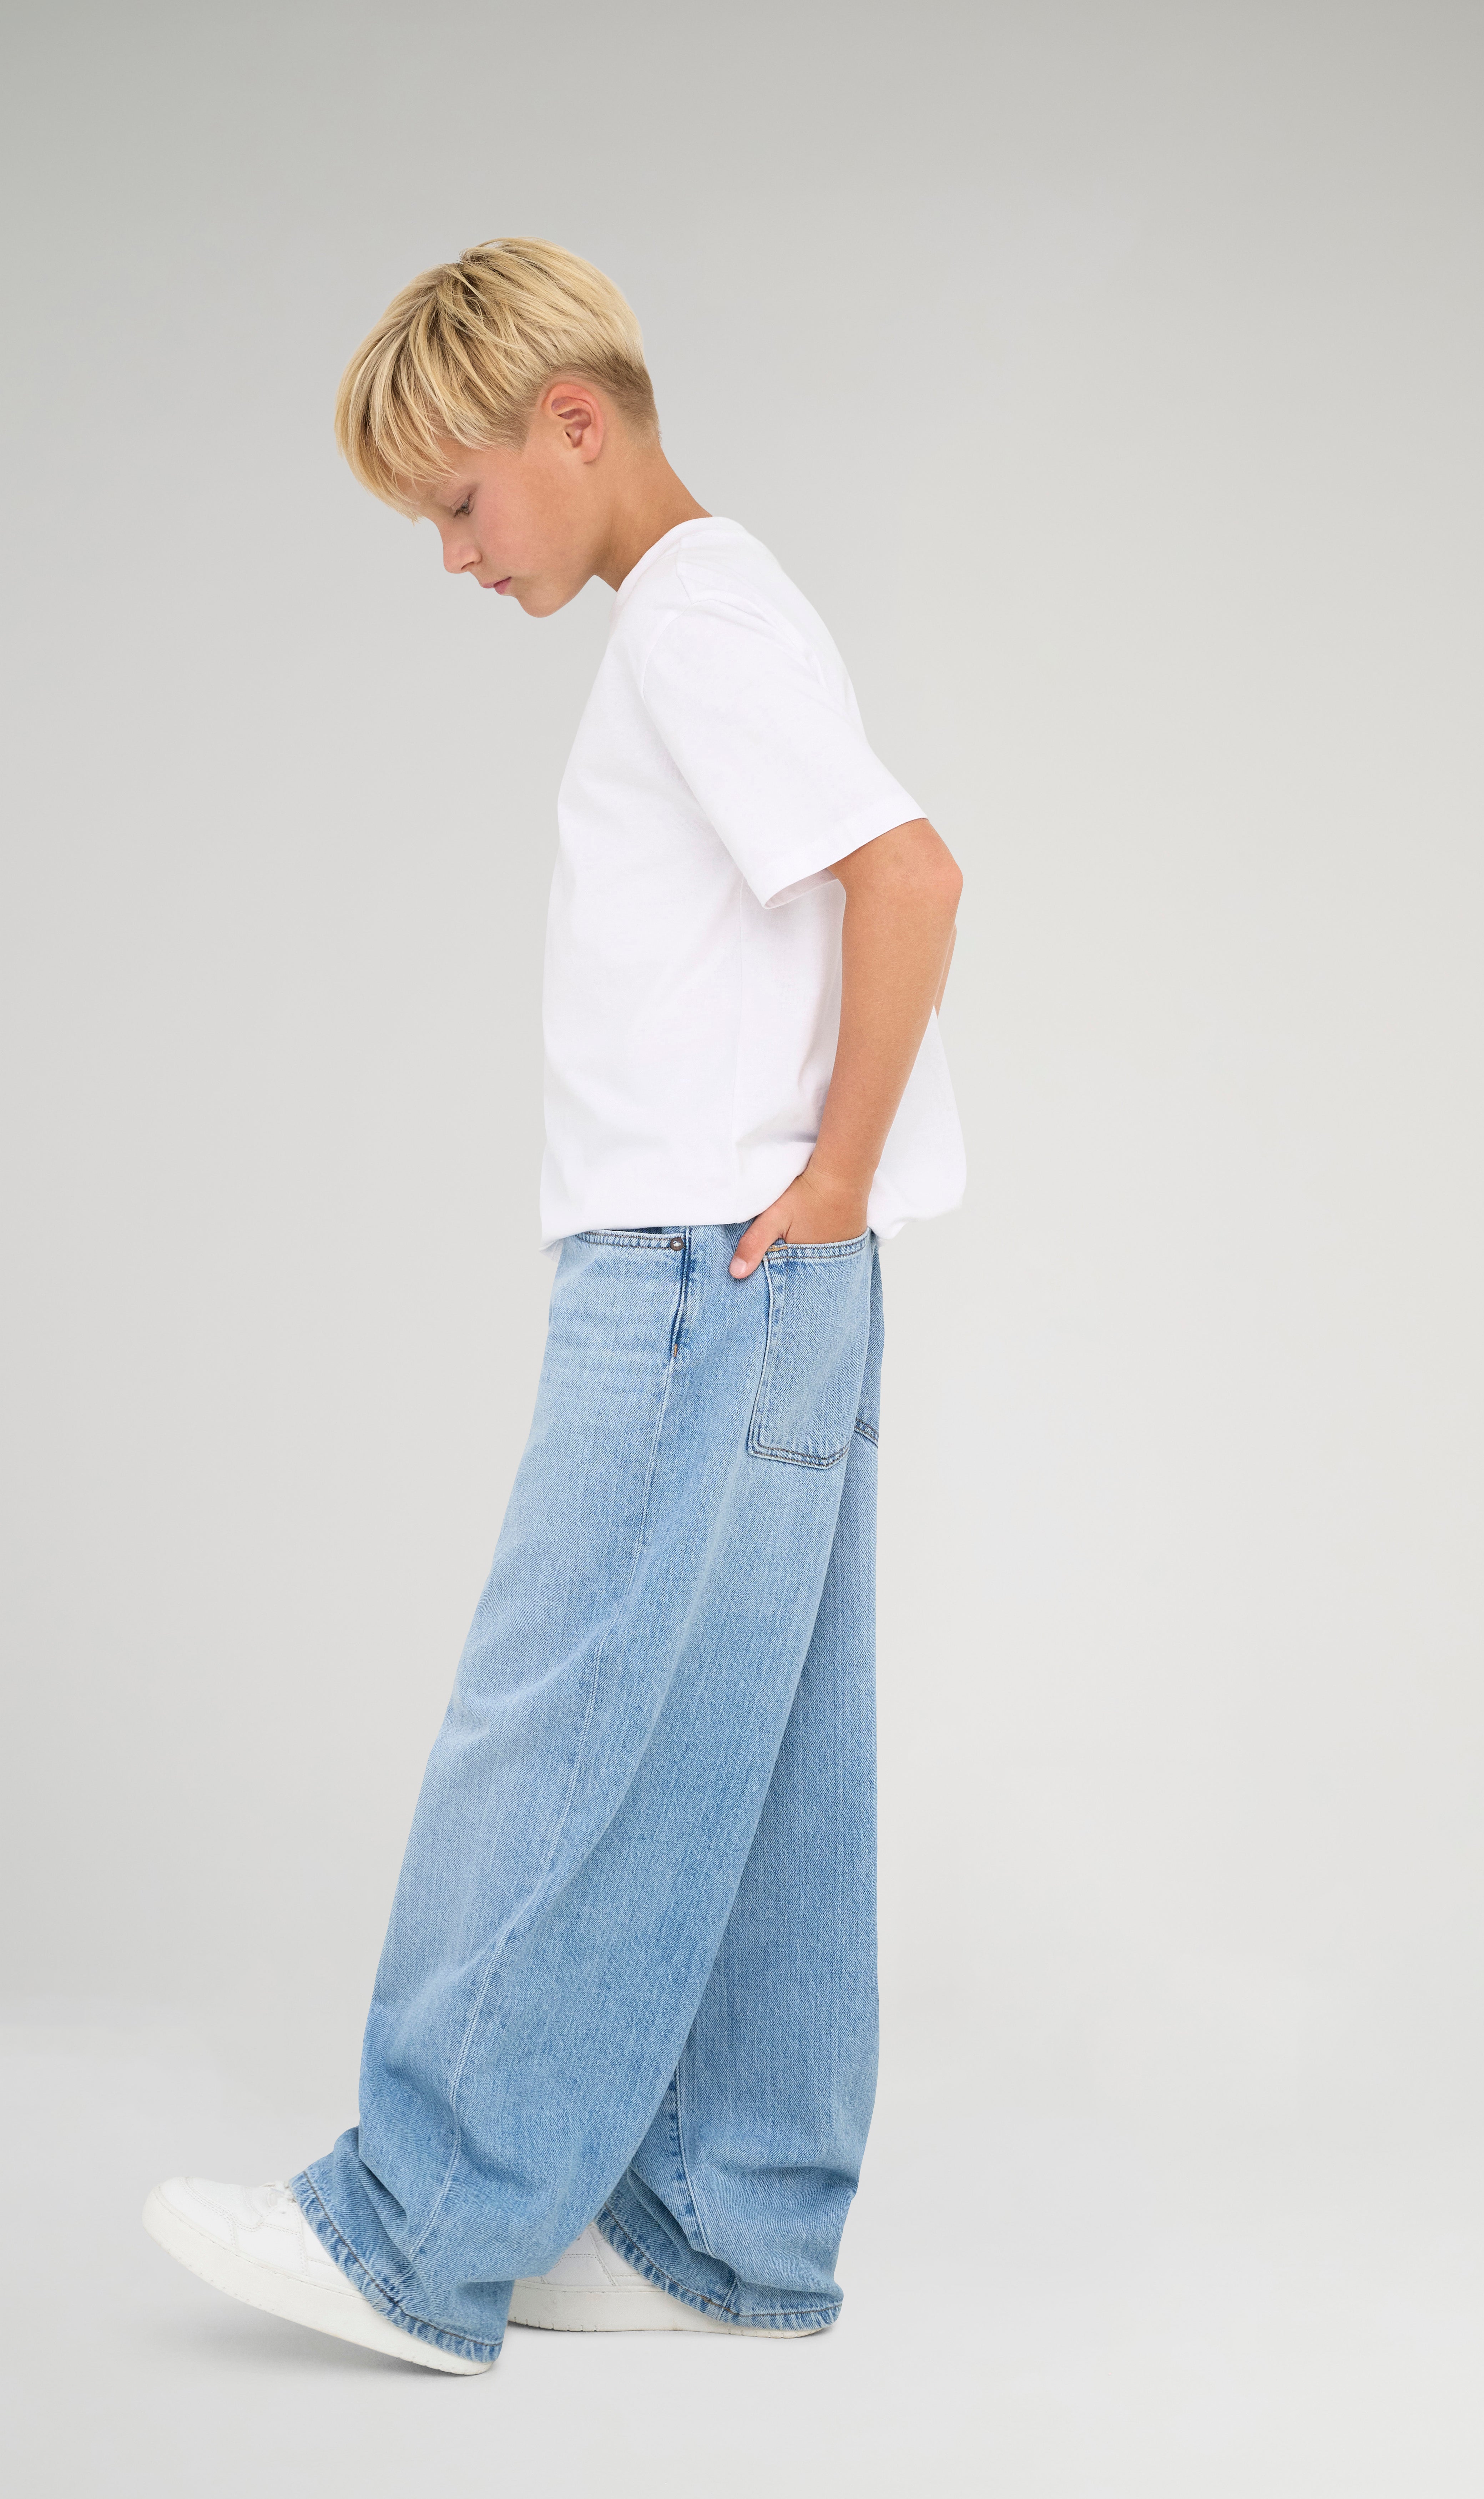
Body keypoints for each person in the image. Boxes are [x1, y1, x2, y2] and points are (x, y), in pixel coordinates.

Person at [142, 238, 965, 2374]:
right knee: (765, 1756)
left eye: (459, 499)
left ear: (572, 425)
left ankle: (414, 2233)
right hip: (779, 1278)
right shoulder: (728, 603)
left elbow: (909, 874)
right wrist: (833, 1211)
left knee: (560, 1721)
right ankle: (727, 2236)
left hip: (702, 1268)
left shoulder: (689, 622)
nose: (453, 553)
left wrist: (832, 1175)